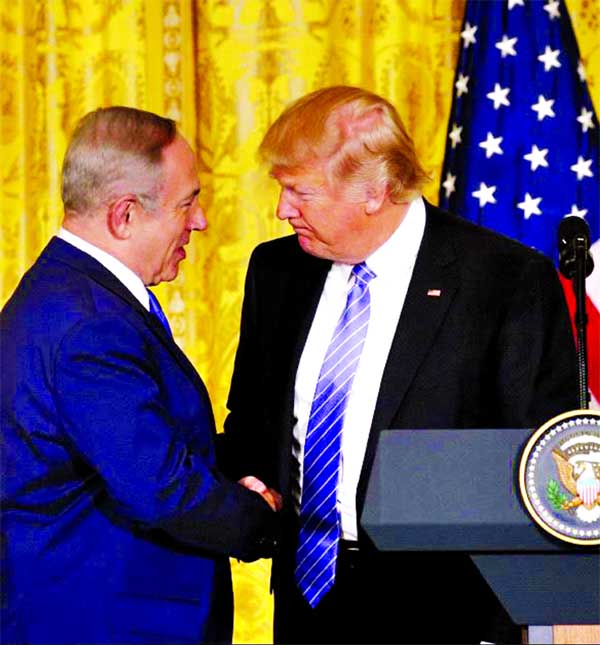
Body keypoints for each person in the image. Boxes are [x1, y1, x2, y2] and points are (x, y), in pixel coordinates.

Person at [217, 86, 578, 644]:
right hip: (305, 599)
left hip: (441, 611)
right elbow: (252, 417)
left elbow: (536, 463)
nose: (283, 210)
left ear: (375, 190)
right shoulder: (277, 269)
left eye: (300, 192)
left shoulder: (505, 282)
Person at [0, 106, 281, 645]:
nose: (199, 222)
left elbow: (132, 452)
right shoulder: (90, 326)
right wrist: (261, 516)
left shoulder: (67, 296)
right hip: (105, 624)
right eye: (187, 202)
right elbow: (159, 485)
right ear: (124, 215)